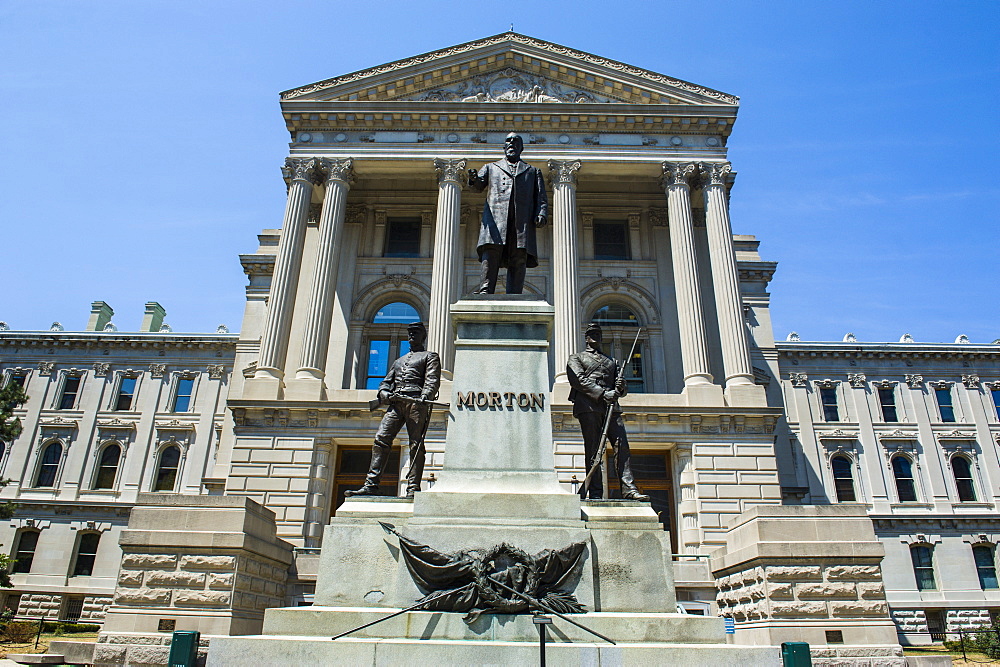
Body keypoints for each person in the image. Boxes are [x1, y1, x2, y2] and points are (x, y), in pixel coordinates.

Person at [345, 322, 441, 499]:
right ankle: (371, 485)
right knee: (381, 439)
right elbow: (385, 383)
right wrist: (384, 393)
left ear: (423, 336)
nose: (412, 335)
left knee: (416, 444)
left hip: (415, 403)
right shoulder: (399, 361)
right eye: (410, 333)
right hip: (396, 404)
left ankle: (413, 488)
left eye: (416, 333)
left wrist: (425, 395)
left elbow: (432, 379)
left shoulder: (430, 356)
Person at [567, 323, 650, 501]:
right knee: (594, 450)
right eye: (592, 334)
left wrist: (621, 388)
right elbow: (578, 380)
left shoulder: (612, 361)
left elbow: (621, 388)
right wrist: (604, 393)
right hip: (589, 407)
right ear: (586, 337)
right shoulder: (576, 358)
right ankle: (596, 493)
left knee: (622, 446)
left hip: (612, 408)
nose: (595, 337)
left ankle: (628, 489)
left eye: (598, 334)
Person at [467, 132, 548, 294]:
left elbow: (541, 197)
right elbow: (477, 187)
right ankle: (485, 290)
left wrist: (542, 213)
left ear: (521, 148)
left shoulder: (533, 171)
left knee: (519, 256)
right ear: (504, 147)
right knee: (491, 254)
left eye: (516, 141)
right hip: (495, 220)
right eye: (509, 141)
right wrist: (473, 179)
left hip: (521, 221)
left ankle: (515, 293)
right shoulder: (491, 167)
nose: (512, 143)